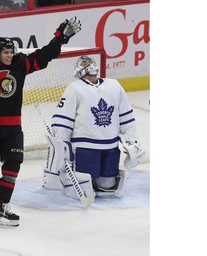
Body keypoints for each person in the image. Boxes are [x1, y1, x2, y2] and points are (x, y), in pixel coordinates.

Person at [0, 12, 82, 226]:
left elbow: (44, 55)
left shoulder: (20, 63)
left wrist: (61, 38)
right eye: (5, 52)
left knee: (13, 165)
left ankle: (2, 207)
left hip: (12, 127)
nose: (9, 55)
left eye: (11, 52)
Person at [43, 56, 145, 201]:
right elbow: (62, 120)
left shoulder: (114, 85)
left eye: (90, 62)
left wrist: (132, 140)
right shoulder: (75, 88)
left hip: (111, 147)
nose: (88, 64)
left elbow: (126, 116)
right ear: (78, 70)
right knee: (86, 185)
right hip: (86, 148)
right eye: (84, 63)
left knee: (107, 187)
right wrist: (63, 145)